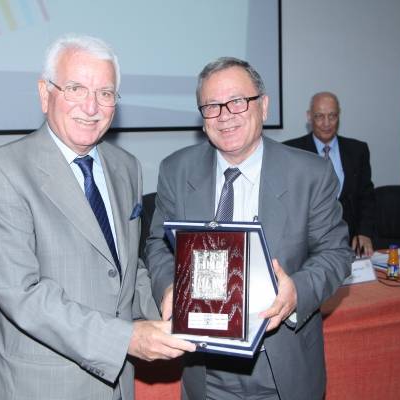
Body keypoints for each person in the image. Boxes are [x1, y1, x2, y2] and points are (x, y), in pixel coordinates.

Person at [0, 34, 194, 400]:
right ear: (45, 94)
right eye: (75, 89)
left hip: (117, 384)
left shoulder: (127, 167)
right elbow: (22, 293)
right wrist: (126, 339)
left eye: (105, 93)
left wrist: (177, 303)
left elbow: (125, 270)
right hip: (42, 386)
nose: (91, 107)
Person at [145, 57, 352, 400]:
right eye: (212, 106)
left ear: (264, 106)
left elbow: (335, 254)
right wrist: (169, 288)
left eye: (237, 101)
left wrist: (296, 293)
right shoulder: (176, 170)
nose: (225, 115)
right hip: (205, 368)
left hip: (281, 363)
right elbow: (158, 244)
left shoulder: (310, 174)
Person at [284, 92, 376, 257]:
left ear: (339, 116)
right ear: (309, 117)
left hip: (350, 243)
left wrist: (364, 232)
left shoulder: (358, 150)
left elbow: (366, 197)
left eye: (332, 116)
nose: (326, 123)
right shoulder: (291, 151)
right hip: (306, 245)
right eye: (319, 116)